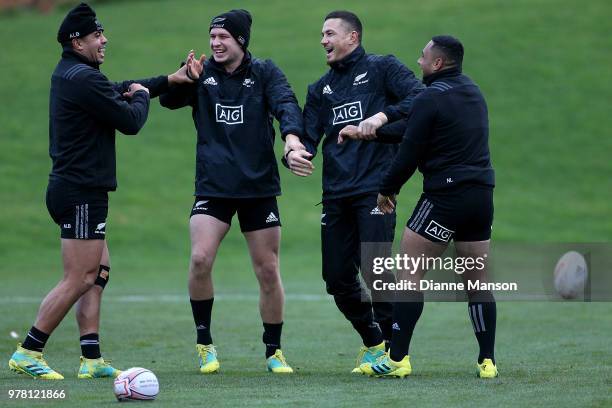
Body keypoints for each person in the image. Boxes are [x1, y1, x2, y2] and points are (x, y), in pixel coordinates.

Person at [8, 2, 194, 380]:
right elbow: (129, 120)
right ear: (77, 42)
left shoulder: (73, 74)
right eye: (97, 36)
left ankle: (91, 358)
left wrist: (168, 81)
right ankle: (29, 350)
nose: (104, 40)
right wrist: (142, 97)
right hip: (79, 192)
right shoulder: (82, 78)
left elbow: (118, 88)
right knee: (79, 276)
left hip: (79, 190)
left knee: (98, 271)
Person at [342, 35, 498, 379]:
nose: (419, 62)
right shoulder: (473, 92)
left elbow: (410, 149)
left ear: (438, 63)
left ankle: (398, 359)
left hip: (445, 198)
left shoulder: (429, 97)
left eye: (423, 57)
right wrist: (367, 133)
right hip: (481, 197)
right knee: (477, 280)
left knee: (410, 273)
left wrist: (386, 189)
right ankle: (487, 361)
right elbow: (414, 130)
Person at [159, 9, 305, 374]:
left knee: (268, 270)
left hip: (257, 187)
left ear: (240, 40)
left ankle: (273, 351)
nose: (215, 43)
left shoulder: (265, 72)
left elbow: (287, 104)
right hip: (214, 185)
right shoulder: (200, 72)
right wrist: (183, 79)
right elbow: (167, 101)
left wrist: (291, 141)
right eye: (212, 37)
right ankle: (204, 343)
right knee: (199, 259)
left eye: (223, 37)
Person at [289, 10, 424, 373]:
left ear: (353, 37)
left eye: (329, 33)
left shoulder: (383, 69)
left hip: (375, 190)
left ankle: (397, 356)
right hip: (335, 194)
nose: (323, 40)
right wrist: (294, 153)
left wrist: (381, 117)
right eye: (321, 34)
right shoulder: (320, 89)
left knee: (376, 270)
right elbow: (307, 137)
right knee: (335, 278)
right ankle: (374, 342)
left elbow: (422, 97)